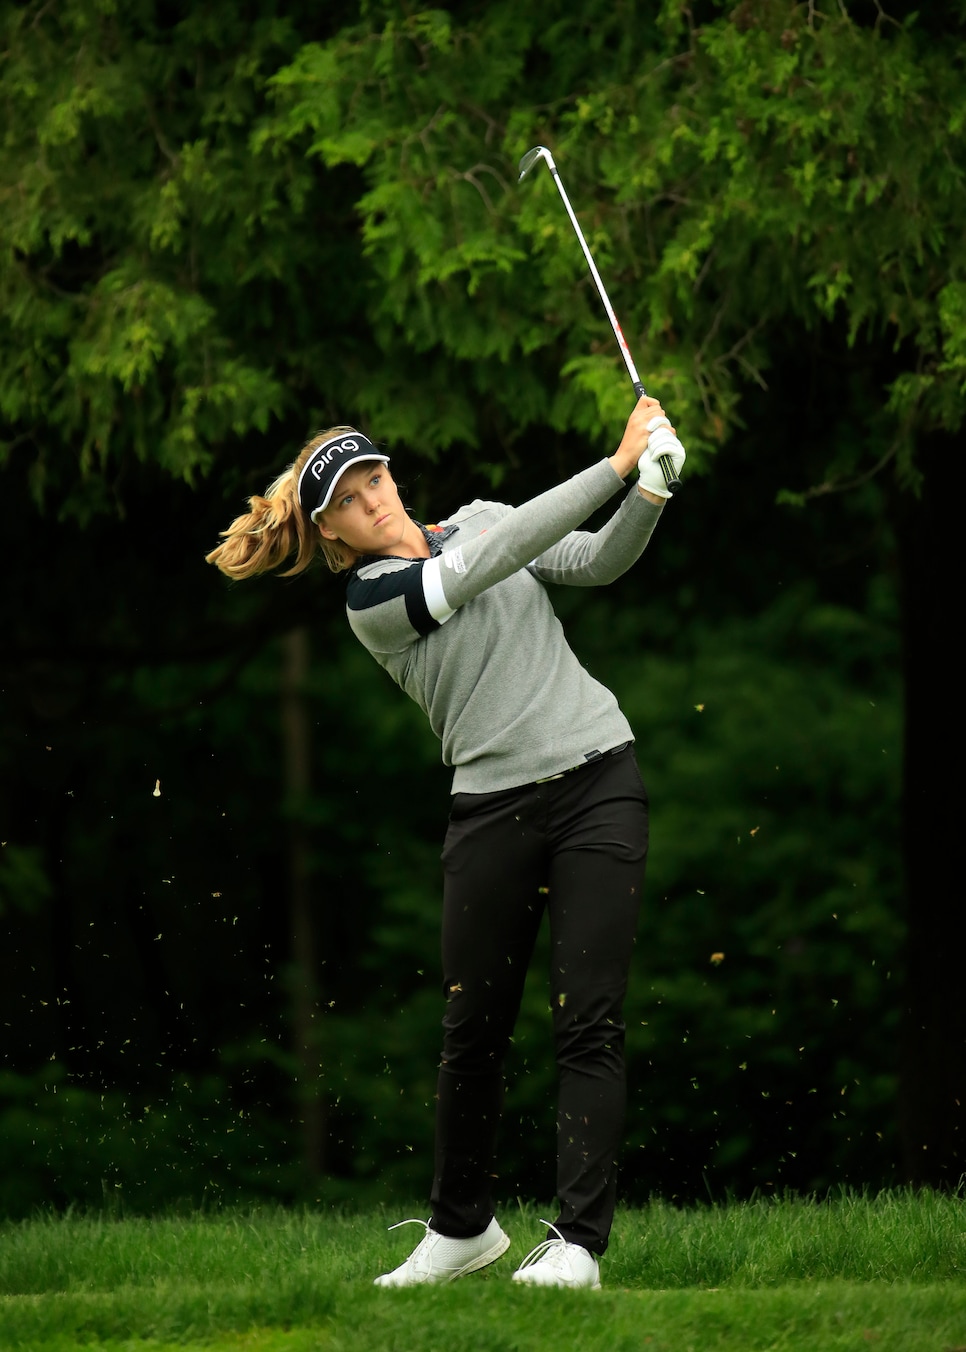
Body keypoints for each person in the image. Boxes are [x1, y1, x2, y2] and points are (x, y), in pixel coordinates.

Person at [206, 397, 686, 1289]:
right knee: (474, 1033)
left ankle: (579, 1245)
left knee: (589, 1022)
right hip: (491, 810)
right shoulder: (374, 601)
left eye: (375, 474)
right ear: (333, 532)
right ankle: (463, 1229)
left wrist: (648, 495)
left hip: (597, 780)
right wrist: (616, 464)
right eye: (350, 496)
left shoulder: (479, 518)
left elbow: (593, 561)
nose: (373, 496)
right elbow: (480, 567)